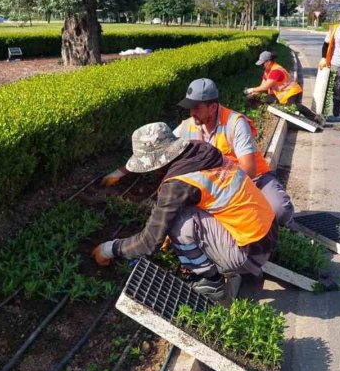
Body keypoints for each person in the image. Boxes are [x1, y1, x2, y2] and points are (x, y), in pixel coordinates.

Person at [92, 122, 277, 301]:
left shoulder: (177, 185)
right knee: (182, 212)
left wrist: (109, 249)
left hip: (248, 253)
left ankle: (210, 280)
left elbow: (149, 242)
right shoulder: (201, 151)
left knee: (177, 222)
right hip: (268, 233)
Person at [176, 78, 295, 226]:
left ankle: (284, 226)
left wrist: (222, 193)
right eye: (190, 107)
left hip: (255, 180)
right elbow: (167, 146)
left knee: (279, 210)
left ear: (212, 108)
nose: (192, 113)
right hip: (214, 186)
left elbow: (249, 170)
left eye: (196, 108)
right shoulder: (187, 126)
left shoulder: (235, 123)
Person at [245, 50, 324, 126]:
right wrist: (254, 94)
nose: (262, 66)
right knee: (263, 99)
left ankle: (315, 117)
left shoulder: (276, 71)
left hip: (292, 91)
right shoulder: (267, 71)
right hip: (282, 95)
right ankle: (260, 113)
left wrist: (251, 89)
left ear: (268, 61)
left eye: (263, 64)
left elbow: (266, 86)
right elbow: (262, 86)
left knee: (293, 106)